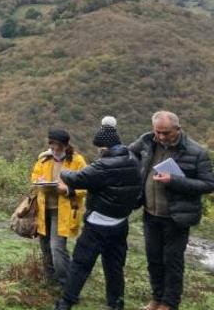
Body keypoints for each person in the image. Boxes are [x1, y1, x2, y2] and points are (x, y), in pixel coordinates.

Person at [128, 111, 214, 310]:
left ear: (178, 129)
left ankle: (169, 303)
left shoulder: (195, 151)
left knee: (172, 262)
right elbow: (129, 152)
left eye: (166, 133)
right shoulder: (148, 141)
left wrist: (174, 181)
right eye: (157, 132)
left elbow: (208, 184)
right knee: (154, 260)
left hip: (176, 217)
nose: (161, 136)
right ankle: (156, 299)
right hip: (151, 214)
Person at [54, 117, 142, 310]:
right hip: (120, 223)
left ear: (103, 148)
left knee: (80, 264)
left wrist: (62, 172)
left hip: (97, 224)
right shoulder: (133, 160)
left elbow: (76, 178)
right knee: (114, 266)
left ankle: (66, 302)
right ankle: (116, 303)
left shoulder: (104, 166)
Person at [31, 128, 87, 289]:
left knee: (57, 248)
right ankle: (50, 282)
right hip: (43, 209)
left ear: (65, 145)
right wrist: (39, 180)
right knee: (45, 247)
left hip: (63, 210)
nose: (55, 150)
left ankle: (66, 285)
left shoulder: (77, 161)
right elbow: (34, 176)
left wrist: (68, 190)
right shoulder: (44, 159)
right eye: (52, 146)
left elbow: (86, 186)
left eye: (58, 147)